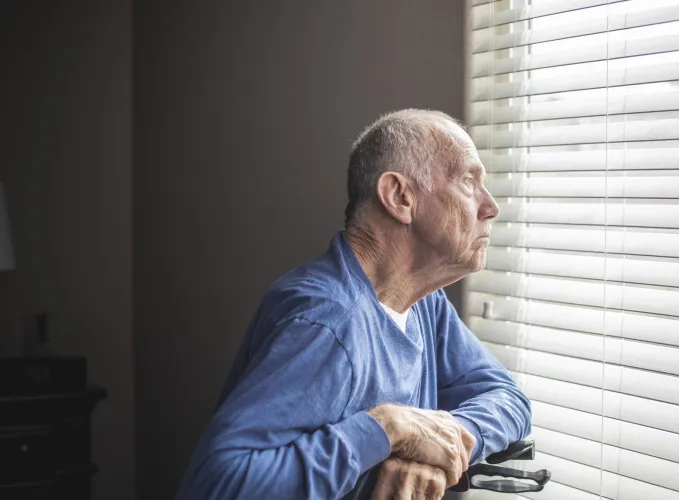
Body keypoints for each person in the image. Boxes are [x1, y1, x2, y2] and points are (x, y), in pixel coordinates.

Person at [176, 109, 531, 500]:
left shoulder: (423, 301)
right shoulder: (327, 321)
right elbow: (216, 485)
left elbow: (508, 398)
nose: (490, 206)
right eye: (468, 181)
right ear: (400, 197)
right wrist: (389, 428)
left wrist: (446, 441)